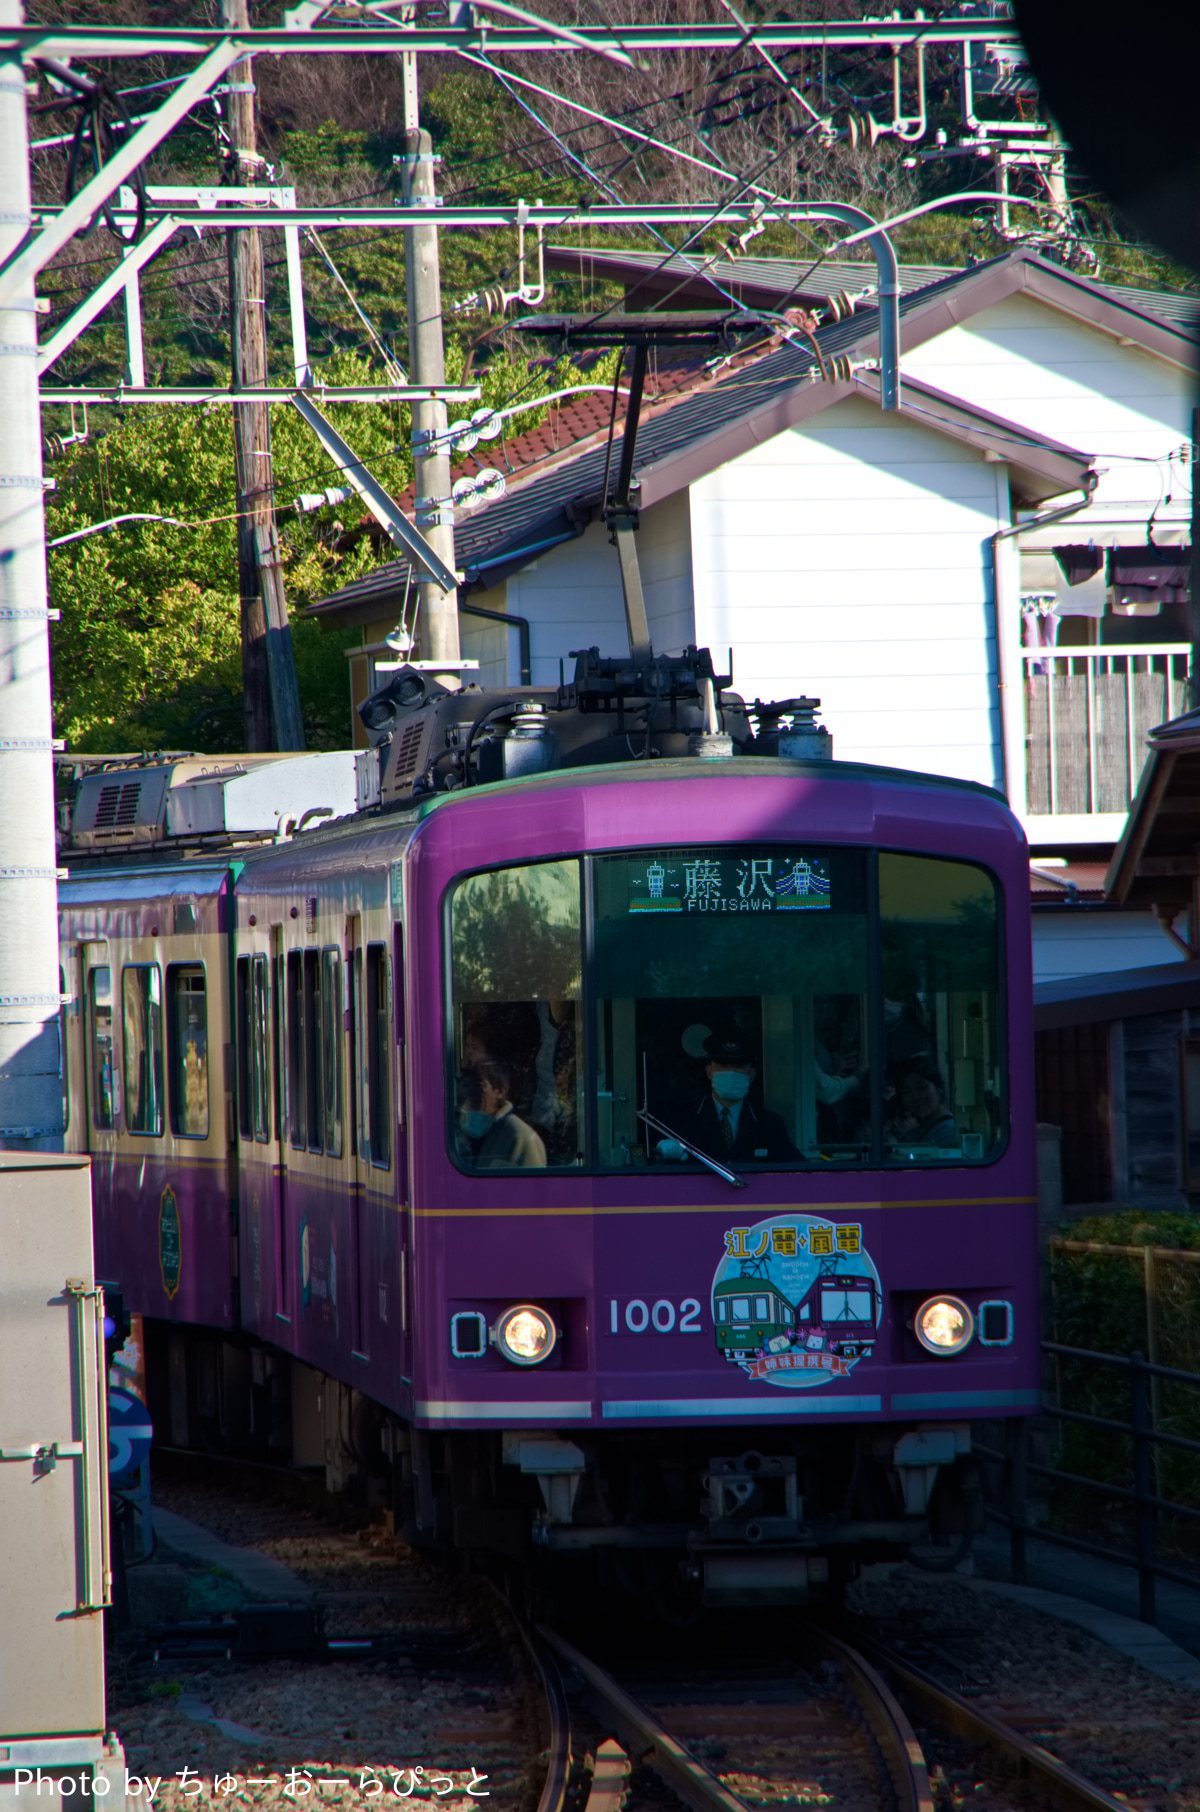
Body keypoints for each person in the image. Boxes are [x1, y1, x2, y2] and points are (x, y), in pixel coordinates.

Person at [681, 1030, 797, 1163]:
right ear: (709, 1071)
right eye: (723, 1065)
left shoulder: (769, 1125)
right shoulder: (685, 1120)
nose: (731, 1072)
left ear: (752, 1073)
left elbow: (796, 1167)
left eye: (739, 1066)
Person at [458, 1063, 547, 1169]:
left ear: (500, 1092)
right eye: (465, 1085)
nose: (471, 1092)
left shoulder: (519, 1136)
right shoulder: (455, 1133)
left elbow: (533, 1184)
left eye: (479, 1085)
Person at [893, 1060, 957, 1150]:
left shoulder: (949, 1132)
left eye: (922, 1087)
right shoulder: (914, 1133)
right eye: (906, 1091)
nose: (915, 1097)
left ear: (939, 1088)